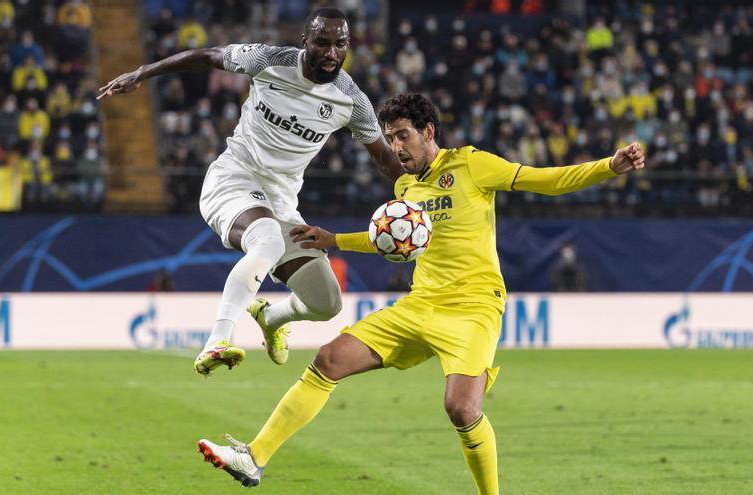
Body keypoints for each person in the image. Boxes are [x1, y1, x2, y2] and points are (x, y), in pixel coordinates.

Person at [196, 93, 645, 493]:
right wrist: (336, 241)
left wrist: (610, 166)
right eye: (390, 138)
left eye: (402, 135)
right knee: (329, 359)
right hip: (420, 303)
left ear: (428, 131)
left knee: (461, 409)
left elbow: (546, 180)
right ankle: (253, 458)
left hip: (473, 307)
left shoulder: (473, 164)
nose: (395, 147)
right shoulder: (405, 187)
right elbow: (392, 238)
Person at [97, 8, 401, 376]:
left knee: (326, 301)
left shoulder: (351, 100)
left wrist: (419, 192)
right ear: (305, 41)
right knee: (268, 242)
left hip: (281, 204)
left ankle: (270, 317)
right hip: (234, 180)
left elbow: (384, 157)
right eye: (322, 42)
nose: (331, 53)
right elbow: (206, 56)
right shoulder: (269, 60)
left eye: (340, 44)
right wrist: (142, 73)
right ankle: (218, 340)